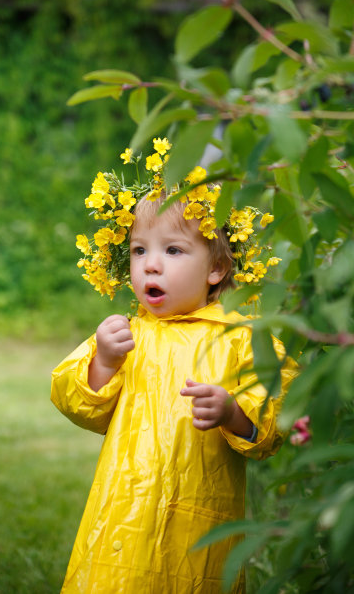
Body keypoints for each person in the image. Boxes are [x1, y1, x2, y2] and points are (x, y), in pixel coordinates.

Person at [51, 140, 298, 593]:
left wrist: (231, 412)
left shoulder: (241, 336)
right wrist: (103, 360)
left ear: (216, 269)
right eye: (139, 250)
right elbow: (77, 404)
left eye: (173, 251)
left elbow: (277, 411)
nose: (151, 267)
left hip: (198, 520)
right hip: (120, 521)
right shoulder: (128, 334)